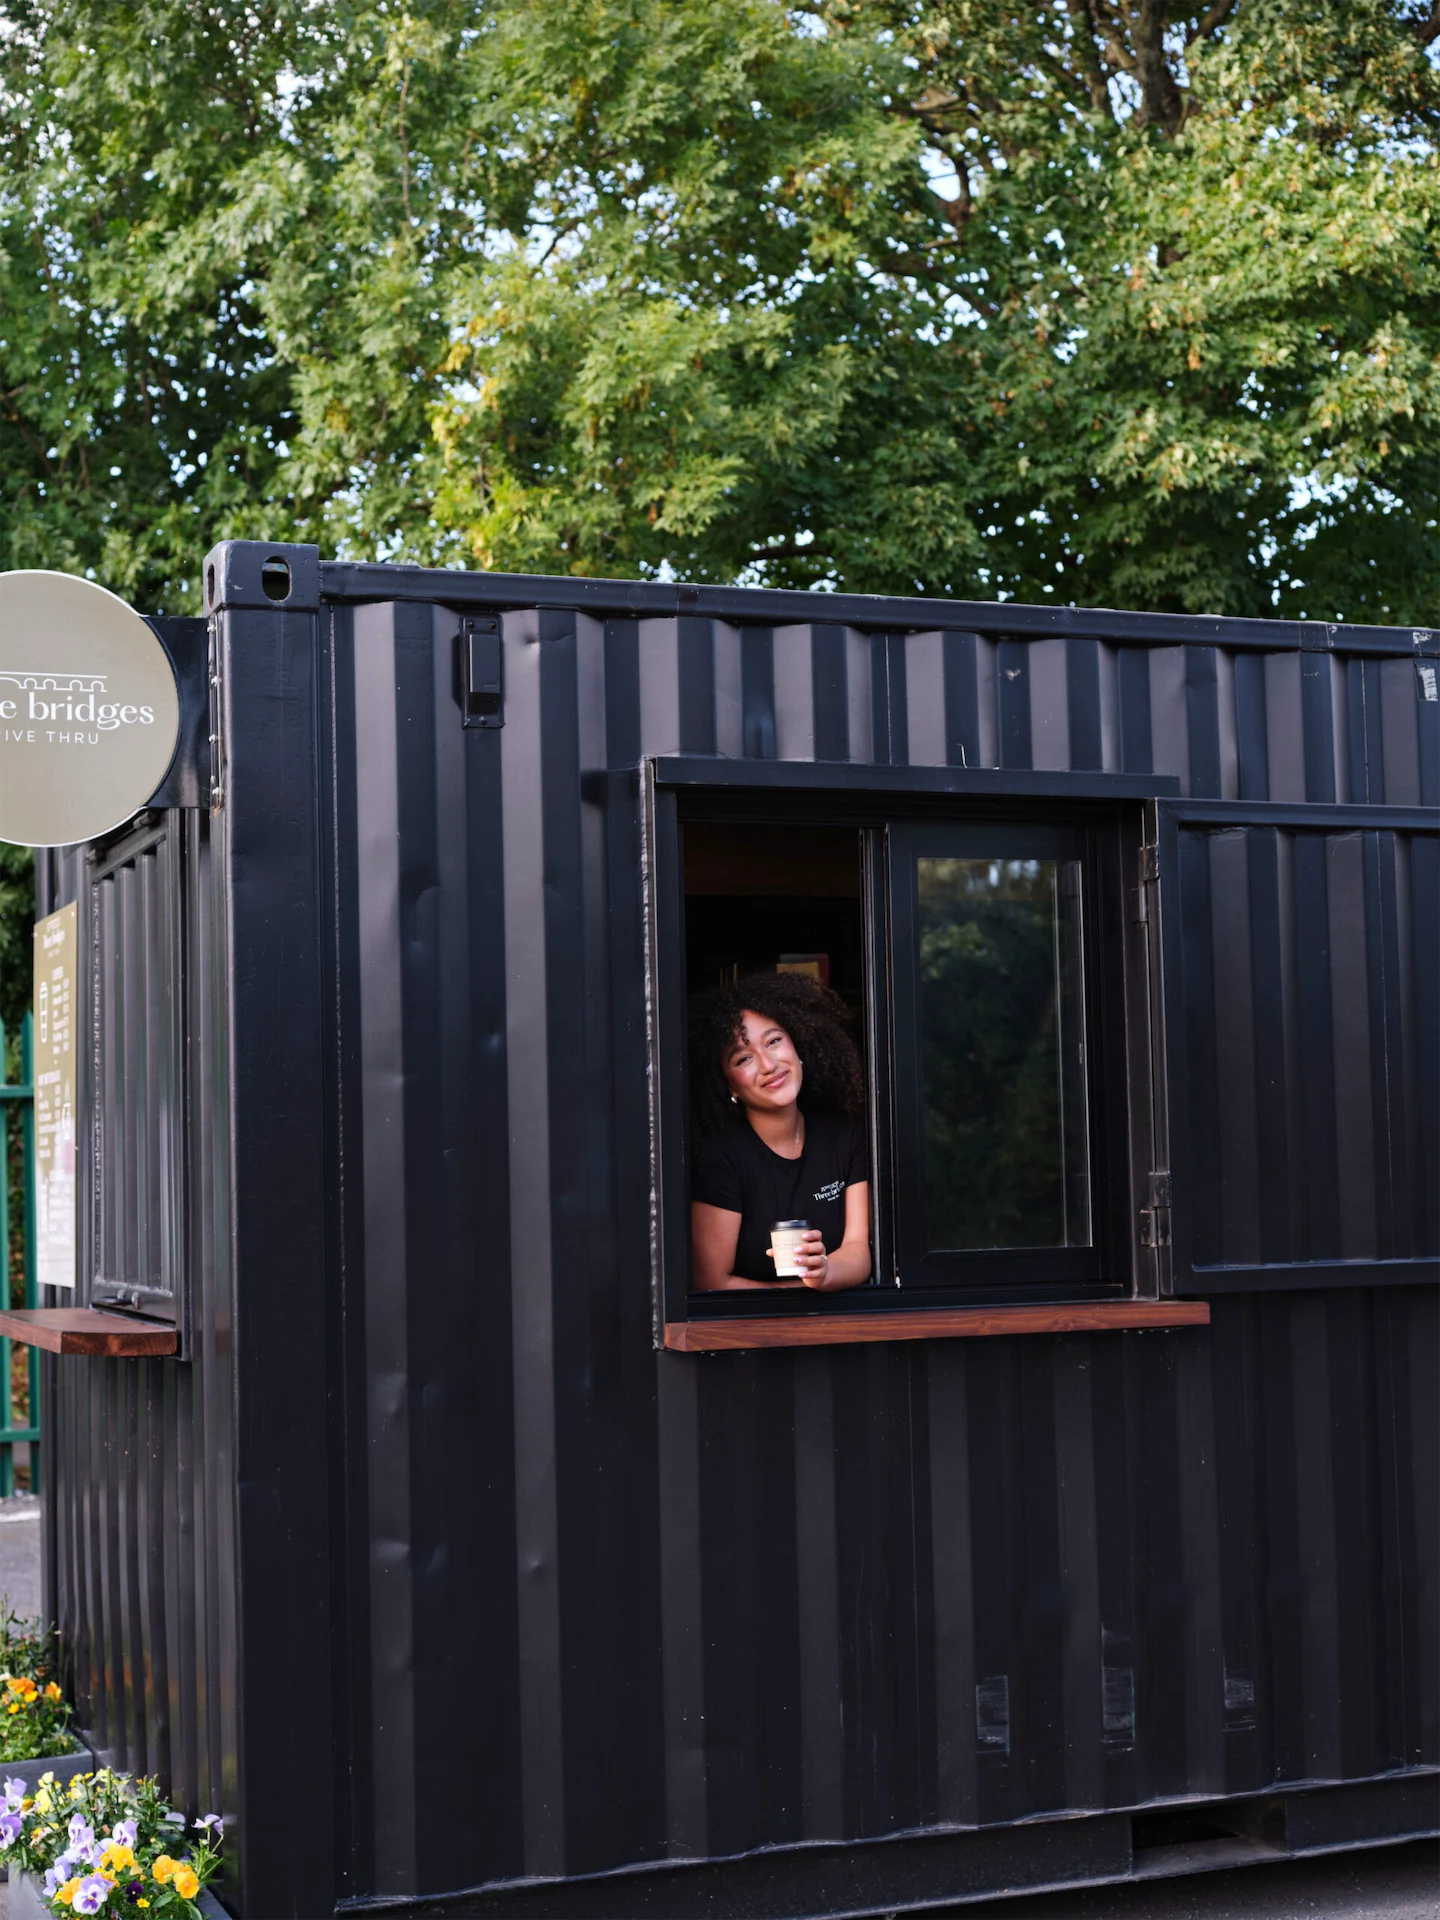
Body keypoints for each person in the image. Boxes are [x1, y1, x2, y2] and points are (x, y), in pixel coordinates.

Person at [689, 971, 871, 1292]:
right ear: (729, 1085)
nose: (768, 1064)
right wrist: (800, 1295)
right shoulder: (721, 1160)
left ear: (796, 1044)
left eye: (773, 1041)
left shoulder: (846, 1134)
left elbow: (858, 1252)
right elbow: (711, 1282)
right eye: (744, 1058)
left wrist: (824, 1272)